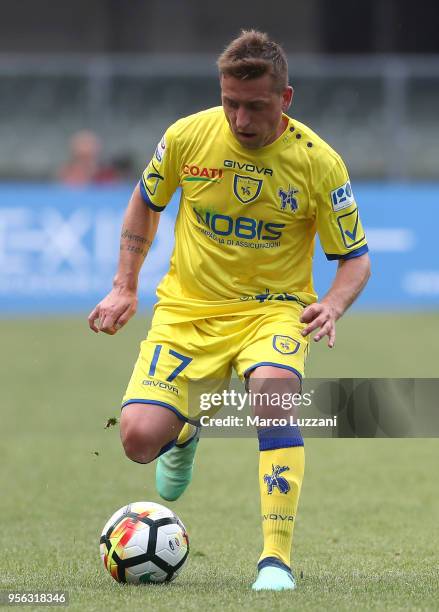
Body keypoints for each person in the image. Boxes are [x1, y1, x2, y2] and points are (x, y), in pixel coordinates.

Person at [88, 30, 370, 591]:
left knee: (272, 394)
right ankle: (186, 430)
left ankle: (275, 560)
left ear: (285, 99)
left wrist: (333, 304)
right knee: (139, 439)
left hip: (273, 313)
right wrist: (124, 285)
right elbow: (146, 201)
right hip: (188, 311)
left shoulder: (319, 163)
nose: (240, 119)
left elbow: (355, 259)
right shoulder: (187, 137)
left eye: (256, 106)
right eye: (230, 103)